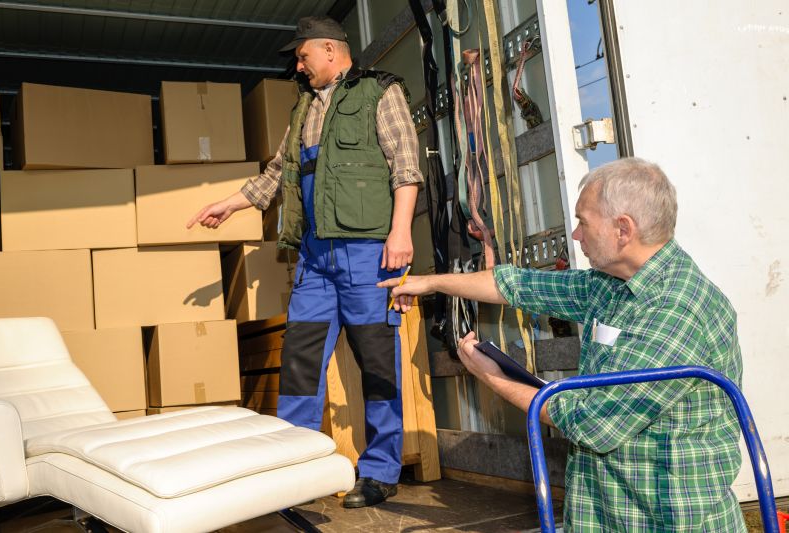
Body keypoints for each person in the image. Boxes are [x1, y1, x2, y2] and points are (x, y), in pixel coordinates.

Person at [380, 158, 747, 531]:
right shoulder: (614, 284)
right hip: (606, 514)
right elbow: (519, 286)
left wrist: (492, 376)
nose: (575, 234)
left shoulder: (674, 312)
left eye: (583, 222)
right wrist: (430, 283)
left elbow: (592, 424)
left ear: (623, 229)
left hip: (661, 521)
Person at [187, 16, 422, 508]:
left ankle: (379, 471)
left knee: (377, 364)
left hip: (366, 252)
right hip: (315, 258)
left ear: (331, 50)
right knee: (299, 363)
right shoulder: (303, 109)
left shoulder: (380, 93)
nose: (298, 65)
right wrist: (227, 203)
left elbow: (405, 163)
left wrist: (401, 231)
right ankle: (291, 470)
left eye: (302, 56)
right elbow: (276, 175)